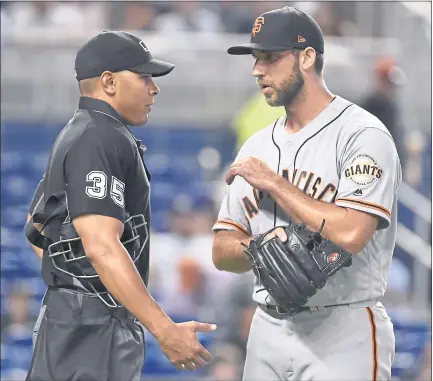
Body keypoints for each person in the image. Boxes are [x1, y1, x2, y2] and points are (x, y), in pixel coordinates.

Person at [212, 7, 401, 381]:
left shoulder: (362, 134)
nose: (257, 70)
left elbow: (351, 233)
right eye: (255, 58)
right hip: (267, 327)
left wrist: (275, 184)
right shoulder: (256, 146)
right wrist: (258, 247)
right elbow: (221, 250)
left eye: (269, 57)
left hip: (343, 327)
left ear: (308, 57)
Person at [24, 30, 216, 381]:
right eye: (144, 77)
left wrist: (76, 291)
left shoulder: (79, 131)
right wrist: (163, 328)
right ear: (109, 82)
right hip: (91, 332)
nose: (154, 88)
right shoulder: (101, 136)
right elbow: (101, 244)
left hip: (75, 323)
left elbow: (37, 229)